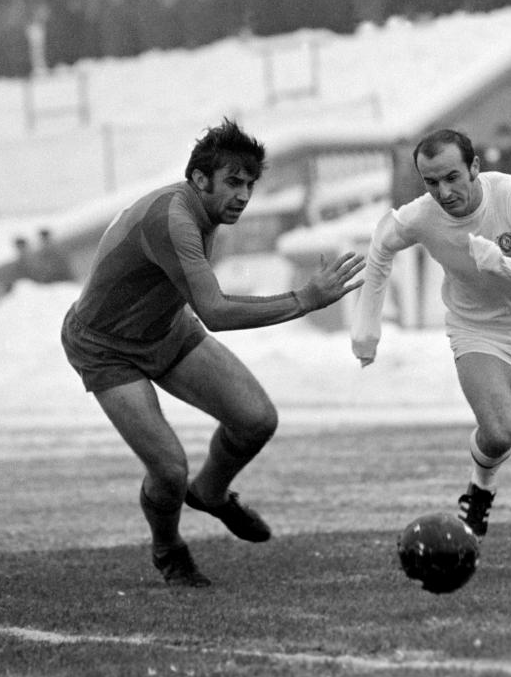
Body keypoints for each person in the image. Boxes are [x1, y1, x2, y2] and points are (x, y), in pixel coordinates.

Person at [61, 119, 365, 588]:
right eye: (233, 183)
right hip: (105, 349)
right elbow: (216, 311)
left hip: (166, 329)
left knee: (256, 420)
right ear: (199, 179)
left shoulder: (202, 210)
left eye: (249, 184)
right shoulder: (173, 218)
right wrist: (305, 299)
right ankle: (169, 551)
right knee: (168, 468)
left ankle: (210, 492)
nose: (243, 195)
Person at [351, 128, 511, 567]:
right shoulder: (422, 215)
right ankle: (479, 490)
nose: (443, 192)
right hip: (478, 329)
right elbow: (380, 247)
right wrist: (366, 329)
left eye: (452, 177)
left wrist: (501, 264)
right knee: (499, 431)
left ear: (475, 168)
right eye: (431, 182)